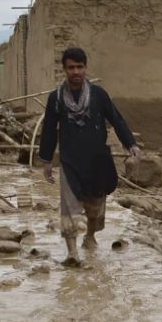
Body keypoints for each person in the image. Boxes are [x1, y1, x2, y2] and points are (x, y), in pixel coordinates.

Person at [37, 47, 142, 265]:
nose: (75, 72)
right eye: (71, 68)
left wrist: (130, 143)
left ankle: (90, 235)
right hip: (70, 161)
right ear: (64, 69)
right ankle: (72, 254)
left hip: (97, 161)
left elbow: (116, 119)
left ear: (86, 68)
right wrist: (46, 160)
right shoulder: (56, 98)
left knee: (94, 208)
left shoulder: (98, 95)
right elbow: (48, 129)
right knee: (69, 208)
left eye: (79, 67)